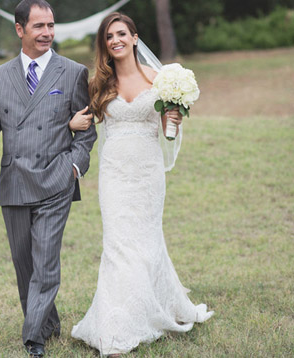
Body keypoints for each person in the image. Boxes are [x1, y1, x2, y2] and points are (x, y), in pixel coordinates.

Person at [68, 12, 213, 356]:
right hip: (115, 174)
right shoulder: (100, 83)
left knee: (147, 243)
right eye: (109, 36)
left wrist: (173, 120)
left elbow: (167, 130)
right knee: (118, 245)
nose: (115, 40)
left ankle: (153, 309)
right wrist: (72, 124)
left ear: (135, 38)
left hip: (147, 174)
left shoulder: (161, 80)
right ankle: (116, 329)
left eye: (121, 33)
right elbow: (83, 121)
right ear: (105, 44)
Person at [0, 0, 97, 356]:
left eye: (51, 26)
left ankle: (33, 339)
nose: (47, 33)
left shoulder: (72, 72)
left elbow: (86, 132)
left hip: (56, 179)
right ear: (19, 29)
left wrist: (74, 167)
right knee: (24, 263)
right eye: (39, 26)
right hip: (13, 180)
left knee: (45, 261)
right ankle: (48, 323)